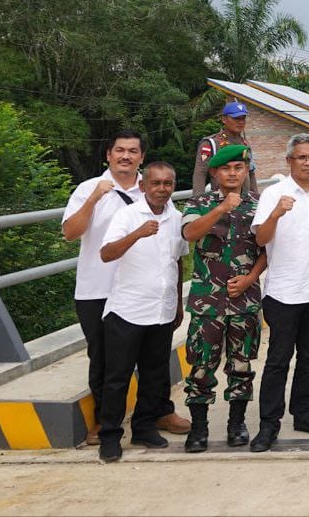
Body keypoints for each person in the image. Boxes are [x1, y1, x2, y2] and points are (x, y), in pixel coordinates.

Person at [62, 130, 188, 445]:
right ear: (108, 155)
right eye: (120, 150)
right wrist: (94, 198)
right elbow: (70, 233)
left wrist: (176, 298)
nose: (126, 156)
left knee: (154, 357)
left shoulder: (154, 191)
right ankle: (104, 423)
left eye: (133, 151)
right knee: (104, 359)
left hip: (145, 290)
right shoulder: (89, 188)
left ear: (141, 158)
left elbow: (175, 247)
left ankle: (159, 411)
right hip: (98, 289)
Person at [248, 134, 309, 452]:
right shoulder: (274, 194)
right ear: (289, 161)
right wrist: (275, 214)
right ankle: (268, 425)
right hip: (284, 293)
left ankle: (304, 414)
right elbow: (260, 239)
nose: (308, 163)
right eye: (301, 157)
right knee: (277, 361)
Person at [96, 161, 187, 462]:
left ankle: (144, 427)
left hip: (161, 311)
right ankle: (110, 436)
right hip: (127, 311)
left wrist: (178, 303)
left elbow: (178, 262)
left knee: (154, 375)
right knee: (117, 378)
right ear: (145, 185)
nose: (162, 189)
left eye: (168, 183)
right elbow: (106, 254)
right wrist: (136, 234)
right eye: (156, 183)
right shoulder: (128, 215)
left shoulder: (177, 217)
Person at [180, 144, 266, 452]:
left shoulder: (259, 203)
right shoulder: (199, 202)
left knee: (241, 365)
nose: (232, 173)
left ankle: (236, 424)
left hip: (244, 300)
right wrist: (220, 209)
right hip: (208, 302)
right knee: (202, 366)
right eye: (226, 169)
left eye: (238, 168)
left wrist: (250, 279)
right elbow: (189, 234)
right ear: (215, 172)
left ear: (245, 171)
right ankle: (199, 429)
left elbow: (267, 249)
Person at [191, 101, 259, 195]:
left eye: (243, 118)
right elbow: (200, 174)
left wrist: (256, 197)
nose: (240, 122)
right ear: (224, 119)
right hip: (220, 200)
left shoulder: (245, 144)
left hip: (244, 201)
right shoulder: (211, 144)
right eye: (236, 118)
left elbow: (251, 172)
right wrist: (198, 202)